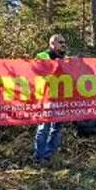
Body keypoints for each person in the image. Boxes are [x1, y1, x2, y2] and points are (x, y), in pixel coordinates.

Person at [33, 34, 68, 164]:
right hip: (45, 98)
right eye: (60, 42)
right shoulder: (42, 56)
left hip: (61, 99)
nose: (63, 44)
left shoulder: (66, 60)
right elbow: (34, 72)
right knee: (43, 128)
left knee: (57, 129)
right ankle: (38, 157)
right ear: (52, 44)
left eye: (64, 42)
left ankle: (48, 156)